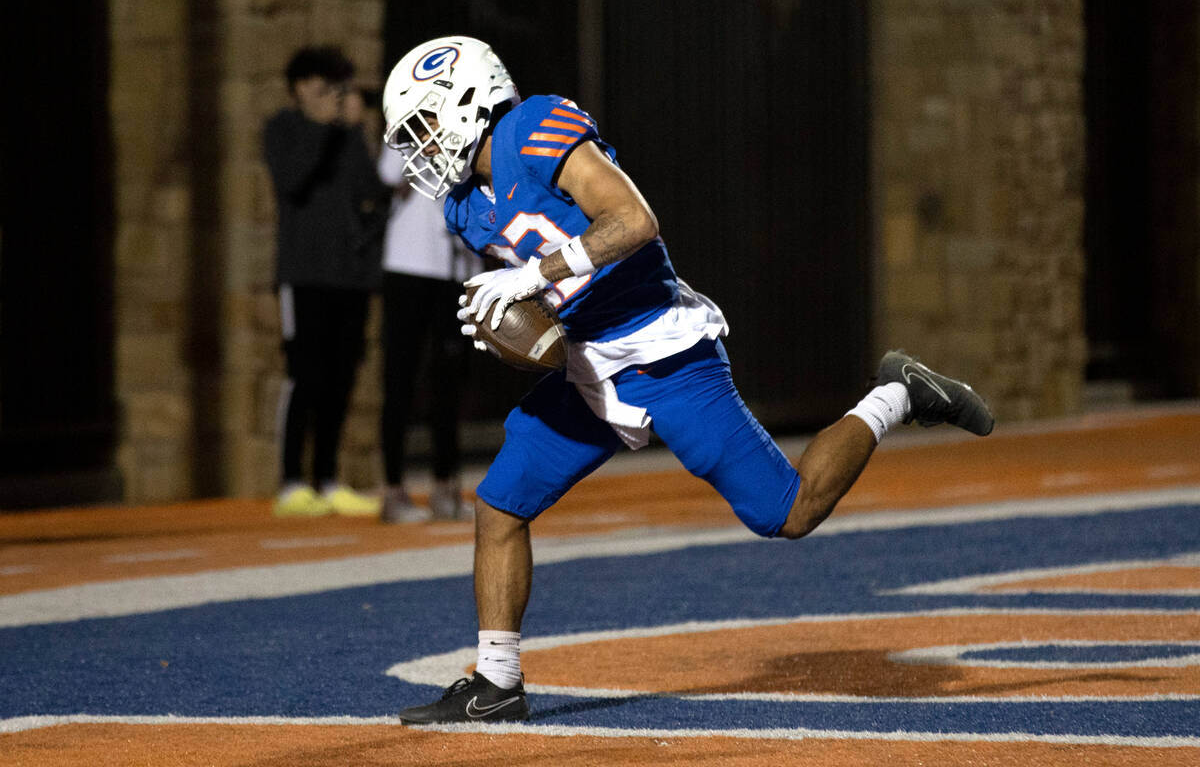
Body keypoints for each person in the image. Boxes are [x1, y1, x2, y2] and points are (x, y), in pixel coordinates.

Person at [381, 36, 995, 723]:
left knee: (788, 514)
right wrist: (513, 330)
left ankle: (896, 391)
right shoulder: (463, 206)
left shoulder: (534, 127)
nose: (421, 150)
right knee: (499, 505)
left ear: (469, 101)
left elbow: (634, 222)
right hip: (587, 366)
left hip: (660, 352)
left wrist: (536, 274)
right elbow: (543, 322)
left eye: (424, 127)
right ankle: (498, 681)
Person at [263, 46, 386, 518]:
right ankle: (291, 482)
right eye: (325, 86)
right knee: (304, 377)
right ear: (300, 88)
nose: (334, 96)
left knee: (341, 379)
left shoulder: (347, 135)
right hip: (304, 275)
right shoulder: (284, 128)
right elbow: (291, 181)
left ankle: (329, 478)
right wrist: (322, 126)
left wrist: (358, 131)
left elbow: (369, 192)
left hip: (349, 278)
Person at [376, 146, 483, 522]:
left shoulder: (472, 125)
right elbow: (389, 174)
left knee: (451, 379)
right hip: (408, 263)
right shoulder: (408, 126)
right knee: (400, 377)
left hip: (456, 265)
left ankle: (445, 485)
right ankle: (392, 491)